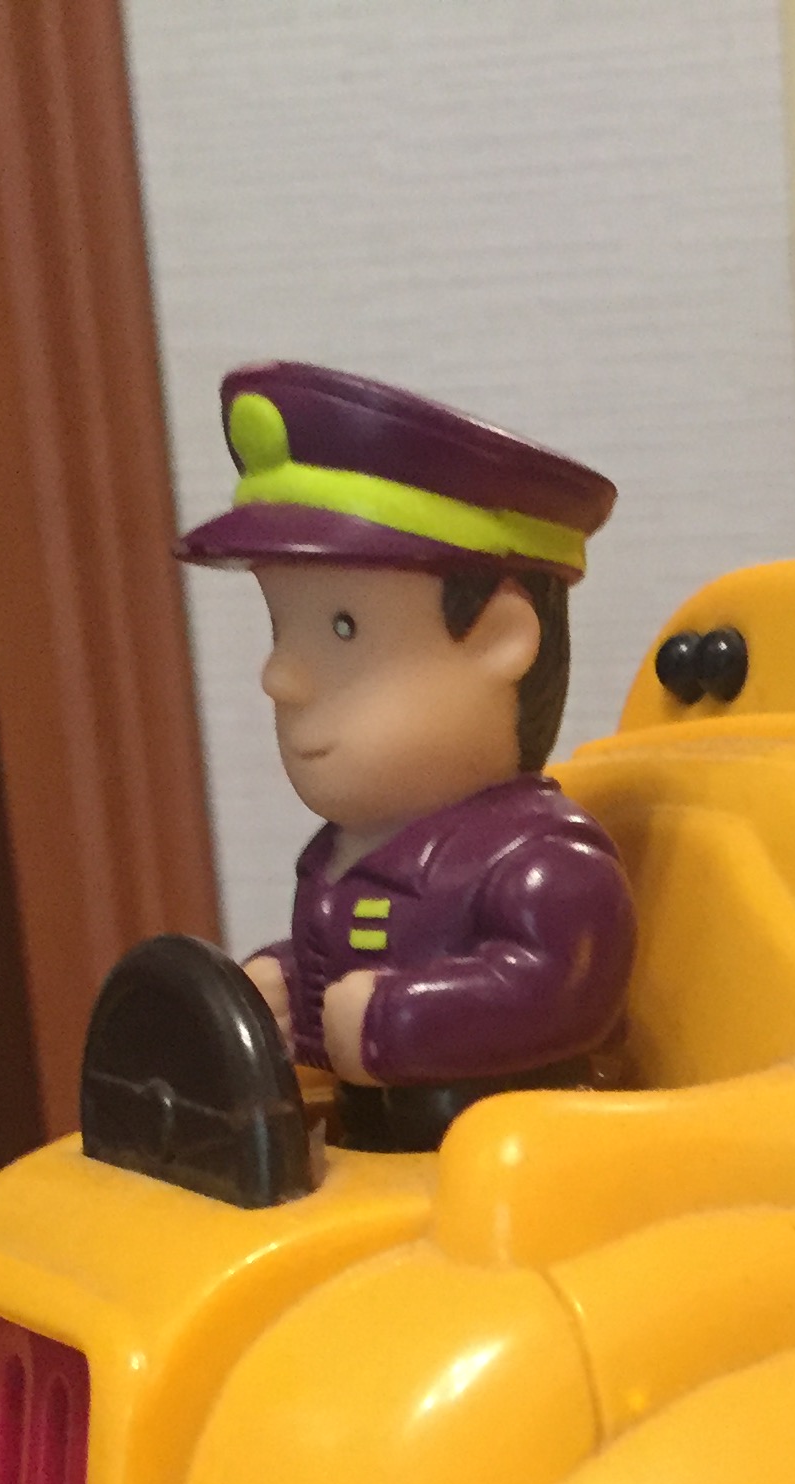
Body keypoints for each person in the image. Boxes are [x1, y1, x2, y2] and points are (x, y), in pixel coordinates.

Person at [177, 362, 635, 1151]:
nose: (280, 676)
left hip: (518, 1166)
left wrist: (396, 1020)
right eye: (282, 629)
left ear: (499, 640)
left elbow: (560, 987)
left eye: (343, 627)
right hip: (379, 1158)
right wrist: (281, 988)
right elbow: (342, 967)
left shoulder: (541, 864)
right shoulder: (343, 857)